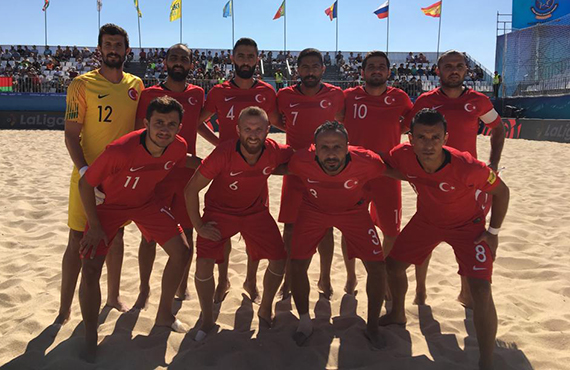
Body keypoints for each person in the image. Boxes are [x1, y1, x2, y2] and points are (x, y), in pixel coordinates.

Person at [379, 108, 510, 370]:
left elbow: (502, 191)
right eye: (422, 137)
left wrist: (493, 232)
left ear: (446, 138)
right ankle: (397, 313)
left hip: (467, 227)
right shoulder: (402, 155)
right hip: (426, 221)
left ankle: (487, 361)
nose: (429, 144)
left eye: (435, 137)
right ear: (410, 140)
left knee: (482, 290)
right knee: (392, 266)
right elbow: (385, 166)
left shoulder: (468, 167)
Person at [78, 96, 194, 361]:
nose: (165, 129)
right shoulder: (120, 150)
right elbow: (85, 185)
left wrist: (212, 166)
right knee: (91, 266)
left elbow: (180, 163)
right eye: (159, 123)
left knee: (182, 251)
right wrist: (94, 226)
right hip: (109, 207)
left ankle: (165, 315)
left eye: (171, 124)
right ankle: (89, 336)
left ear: (179, 127)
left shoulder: (178, 147)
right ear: (146, 123)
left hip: (145, 204)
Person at [55, 24, 144, 327]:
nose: (113, 50)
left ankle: (113, 296)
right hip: (87, 176)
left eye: (118, 45)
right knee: (77, 239)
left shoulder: (136, 85)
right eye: (108, 44)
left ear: (126, 50)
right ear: (99, 49)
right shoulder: (81, 85)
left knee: (116, 236)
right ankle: (64, 309)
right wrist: (85, 172)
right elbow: (70, 136)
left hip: (119, 179)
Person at [404, 50, 505, 307]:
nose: (454, 70)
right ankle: (421, 291)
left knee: (471, 236)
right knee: (424, 234)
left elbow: (498, 128)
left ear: (466, 70)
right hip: (432, 176)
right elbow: (409, 133)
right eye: (448, 66)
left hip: (469, 180)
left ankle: (466, 292)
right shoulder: (425, 101)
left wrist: (493, 162)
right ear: (438, 71)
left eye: (459, 66)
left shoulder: (478, 100)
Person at [185, 106, 290, 341]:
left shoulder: (274, 150)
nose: (253, 134)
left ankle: (265, 308)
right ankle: (208, 318)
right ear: (237, 130)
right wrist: (200, 226)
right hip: (219, 212)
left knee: (279, 258)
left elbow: (301, 157)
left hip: (255, 212)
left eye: (259, 129)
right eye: (248, 129)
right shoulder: (223, 153)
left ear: (267, 131)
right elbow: (191, 190)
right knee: (203, 264)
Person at [284, 121, 388, 349]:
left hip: (354, 212)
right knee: (297, 263)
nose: (331, 153)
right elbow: (273, 167)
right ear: (315, 147)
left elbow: (394, 170)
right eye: (324, 147)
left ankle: (372, 326)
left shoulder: (368, 161)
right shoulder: (301, 160)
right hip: (313, 211)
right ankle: (304, 321)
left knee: (378, 267)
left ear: (348, 146)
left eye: (337, 147)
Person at [133, 43, 218, 310]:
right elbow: (139, 134)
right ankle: (144, 288)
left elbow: (197, 122)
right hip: (155, 176)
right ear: (166, 62)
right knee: (148, 238)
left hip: (185, 177)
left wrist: (218, 143)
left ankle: (181, 287)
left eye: (184, 58)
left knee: (188, 234)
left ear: (192, 64)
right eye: (174, 58)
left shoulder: (197, 93)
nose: (179, 62)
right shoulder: (150, 94)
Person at [198, 37, 284, 304]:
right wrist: (218, 144)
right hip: (225, 169)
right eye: (241, 55)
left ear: (257, 60)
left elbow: (279, 125)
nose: (246, 60)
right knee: (221, 229)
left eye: (251, 56)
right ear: (232, 58)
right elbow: (197, 123)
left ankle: (250, 279)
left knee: (254, 230)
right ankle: (223, 278)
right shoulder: (218, 92)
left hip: (255, 172)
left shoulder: (268, 92)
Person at [276, 48, 344, 300]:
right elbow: (276, 119)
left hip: (325, 171)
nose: (310, 71)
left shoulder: (335, 94)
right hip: (294, 169)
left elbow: (343, 120)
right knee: (290, 227)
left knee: (325, 227)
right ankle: (287, 279)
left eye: (315, 66)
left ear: (323, 69)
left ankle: (324, 277)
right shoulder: (284, 95)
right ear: (297, 70)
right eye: (305, 66)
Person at [342, 51, 412, 295]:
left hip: (387, 173)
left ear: (388, 72)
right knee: (351, 229)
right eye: (371, 66)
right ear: (362, 72)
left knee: (391, 230)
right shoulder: (348, 96)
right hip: (355, 172)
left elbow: (410, 126)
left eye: (381, 66)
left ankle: (380, 275)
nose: (376, 70)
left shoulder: (400, 98)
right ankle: (351, 277)